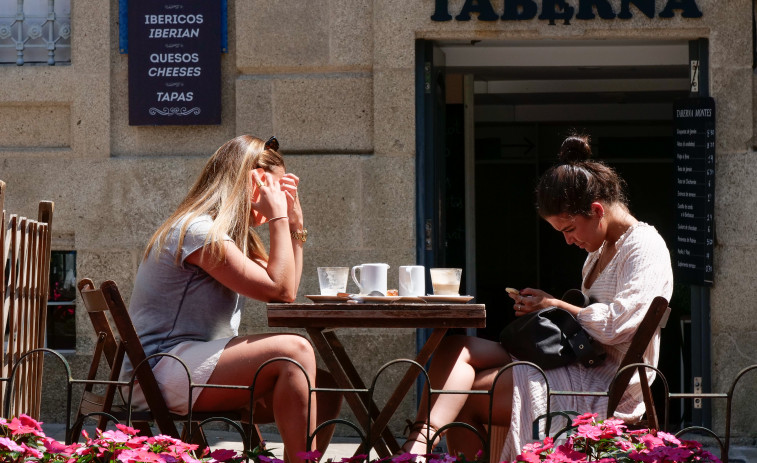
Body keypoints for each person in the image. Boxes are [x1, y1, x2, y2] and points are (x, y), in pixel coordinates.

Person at [401, 134, 673, 460]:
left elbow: (619, 325)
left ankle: (416, 451)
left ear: (597, 210)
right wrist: (548, 309)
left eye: (569, 229)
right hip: (576, 362)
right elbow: (588, 325)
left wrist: (555, 305)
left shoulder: (644, 246)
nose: (568, 240)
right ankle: (417, 446)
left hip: (604, 384)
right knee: (455, 345)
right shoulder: (598, 253)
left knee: (466, 397)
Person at [120, 135, 340, 463]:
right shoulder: (198, 232)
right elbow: (280, 290)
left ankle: (303, 459)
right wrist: (279, 217)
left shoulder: (229, 237)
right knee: (295, 350)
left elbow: (286, 289)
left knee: (325, 386)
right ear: (250, 181)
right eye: (275, 187)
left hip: (187, 365)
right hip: (160, 370)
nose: (279, 196)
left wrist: (296, 225)